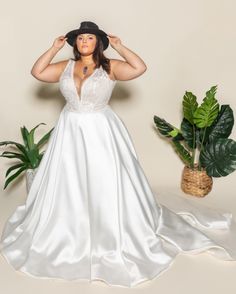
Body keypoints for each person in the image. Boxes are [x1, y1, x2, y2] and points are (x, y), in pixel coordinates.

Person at [0, 21, 236, 288]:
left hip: (101, 130)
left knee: (104, 179)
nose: (84, 42)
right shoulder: (65, 67)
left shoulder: (109, 66)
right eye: (80, 38)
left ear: (98, 42)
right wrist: (53, 48)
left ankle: (109, 226)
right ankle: (70, 226)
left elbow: (139, 67)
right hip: (70, 130)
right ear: (75, 43)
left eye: (90, 38)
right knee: (69, 181)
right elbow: (37, 72)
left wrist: (120, 46)